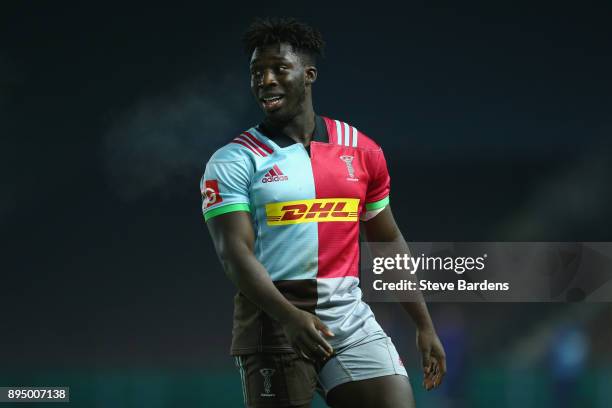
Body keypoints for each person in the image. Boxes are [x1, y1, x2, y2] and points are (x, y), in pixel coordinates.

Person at [201, 17, 446, 408]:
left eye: (279, 68)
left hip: (349, 321)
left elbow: (387, 240)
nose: (265, 80)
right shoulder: (233, 160)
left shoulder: (362, 150)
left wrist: (423, 324)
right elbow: (235, 254)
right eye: (257, 72)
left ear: (308, 75)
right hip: (273, 324)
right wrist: (288, 317)